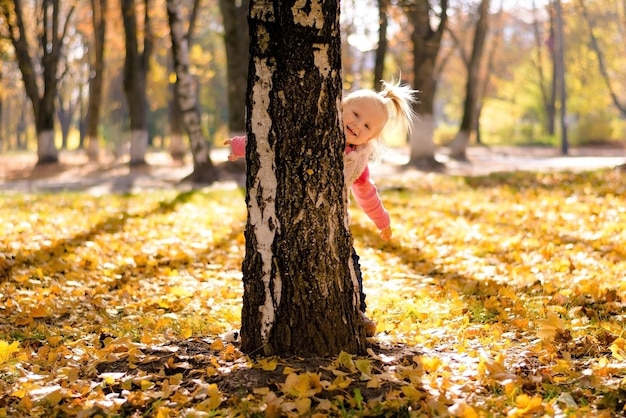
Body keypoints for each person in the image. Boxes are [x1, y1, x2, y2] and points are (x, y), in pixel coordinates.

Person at [225, 80, 416, 337]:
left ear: (371, 137)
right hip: (289, 216)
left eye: (367, 126)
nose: (358, 124)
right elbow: (278, 142)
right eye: (356, 114)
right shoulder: (317, 130)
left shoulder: (357, 158)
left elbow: (366, 192)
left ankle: (357, 311)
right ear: (340, 105)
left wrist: (382, 220)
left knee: (350, 265)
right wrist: (241, 145)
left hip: (331, 226)